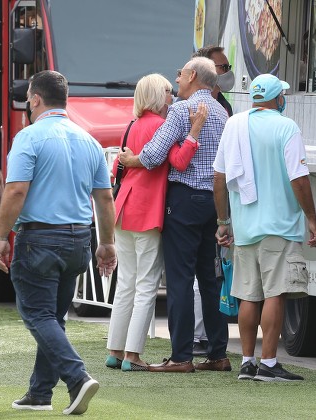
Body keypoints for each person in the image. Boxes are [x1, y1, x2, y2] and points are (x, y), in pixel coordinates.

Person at [0, 70, 117, 414]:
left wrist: (0, 237)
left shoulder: (29, 137)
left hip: (40, 238)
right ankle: (39, 393)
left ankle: (76, 377)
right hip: (79, 237)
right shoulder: (89, 140)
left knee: (37, 314)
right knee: (53, 317)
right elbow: (105, 199)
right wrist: (106, 243)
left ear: (34, 99)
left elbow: (16, 190)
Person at [119, 57, 230, 373]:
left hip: (183, 199)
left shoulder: (181, 111)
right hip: (214, 200)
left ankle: (181, 356)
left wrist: (131, 159)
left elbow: (154, 155)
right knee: (210, 278)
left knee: (180, 278)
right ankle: (218, 353)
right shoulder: (223, 112)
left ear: (192, 76)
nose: (177, 81)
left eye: (180, 75)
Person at [213, 73, 316, 382]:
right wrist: (312, 219)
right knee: (276, 293)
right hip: (279, 226)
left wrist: (223, 222)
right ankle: (269, 363)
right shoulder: (286, 126)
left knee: (249, 295)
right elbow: (299, 178)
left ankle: (247, 362)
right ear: (277, 99)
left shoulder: (234, 124)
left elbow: (219, 178)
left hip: (245, 226)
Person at [106, 73, 207, 372]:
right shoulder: (161, 125)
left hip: (123, 208)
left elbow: (117, 165)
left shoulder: (132, 125)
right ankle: (133, 355)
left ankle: (116, 349)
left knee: (125, 283)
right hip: (147, 211)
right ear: (157, 95)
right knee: (147, 284)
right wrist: (195, 132)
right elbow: (178, 160)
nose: (172, 94)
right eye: (167, 90)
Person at [191, 45, 234, 357]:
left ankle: (213, 339)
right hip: (200, 195)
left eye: (227, 66)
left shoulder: (226, 106)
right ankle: (197, 337)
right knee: (201, 271)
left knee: (213, 270)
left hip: (218, 198)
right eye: (221, 67)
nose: (225, 72)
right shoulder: (190, 106)